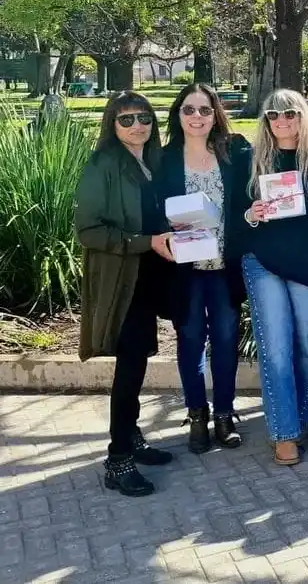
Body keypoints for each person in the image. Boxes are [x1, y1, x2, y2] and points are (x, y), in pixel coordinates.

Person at [76, 92, 175, 496]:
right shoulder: (104, 165)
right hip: (123, 277)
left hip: (152, 274)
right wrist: (143, 243)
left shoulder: (153, 162)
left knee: (140, 358)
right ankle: (118, 460)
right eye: (127, 119)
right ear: (112, 125)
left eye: (144, 118)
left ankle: (132, 436)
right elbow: (89, 230)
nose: (138, 126)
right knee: (130, 366)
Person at [241, 90, 308, 466]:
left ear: (302, 117)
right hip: (263, 262)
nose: (281, 121)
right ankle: (283, 433)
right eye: (273, 115)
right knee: (277, 351)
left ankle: (297, 424)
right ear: (265, 121)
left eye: (290, 113)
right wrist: (252, 214)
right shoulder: (250, 161)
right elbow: (238, 216)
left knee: (303, 349)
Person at [158, 84, 250, 453]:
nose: (197, 117)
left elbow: (270, 170)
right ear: (178, 115)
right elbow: (152, 208)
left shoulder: (235, 151)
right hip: (186, 268)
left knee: (227, 339)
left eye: (205, 110)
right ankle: (197, 413)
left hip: (224, 266)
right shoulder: (163, 158)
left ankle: (225, 414)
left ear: (216, 114)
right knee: (191, 338)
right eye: (189, 110)